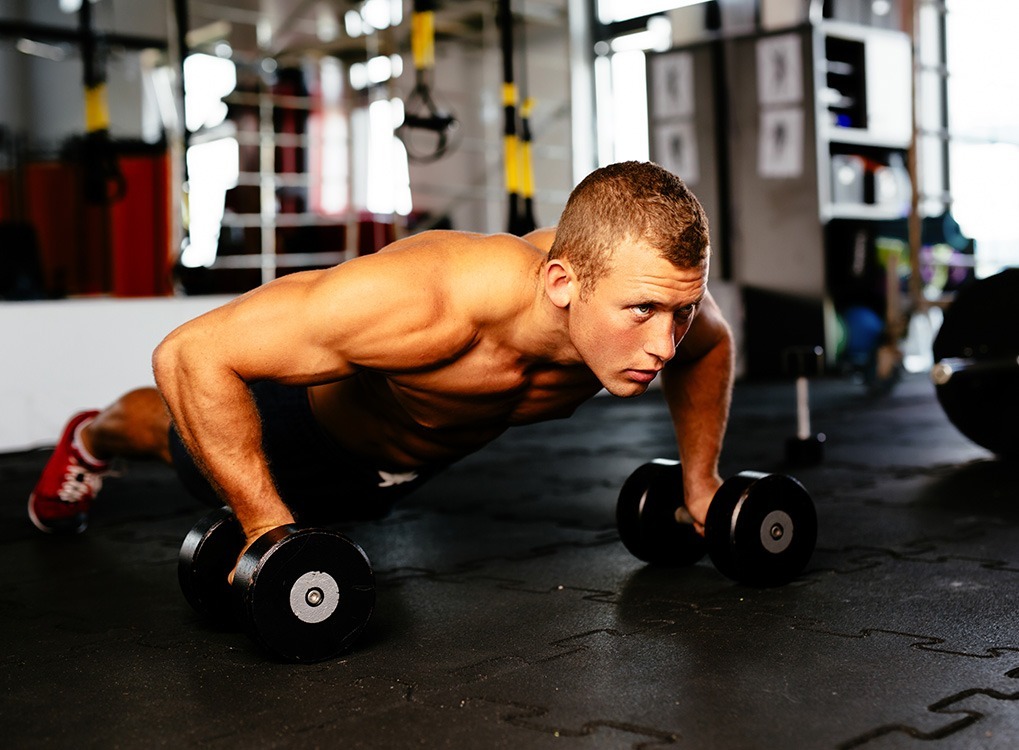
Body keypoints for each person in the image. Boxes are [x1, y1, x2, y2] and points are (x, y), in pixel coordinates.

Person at [28, 161, 734, 575]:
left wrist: (699, 482)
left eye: (679, 311)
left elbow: (710, 347)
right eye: (642, 313)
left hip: (402, 470)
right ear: (560, 285)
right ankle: (91, 438)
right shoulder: (430, 298)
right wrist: (271, 535)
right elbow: (188, 352)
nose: (664, 345)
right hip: (301, 431)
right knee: (166, 436)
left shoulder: (648, 297)